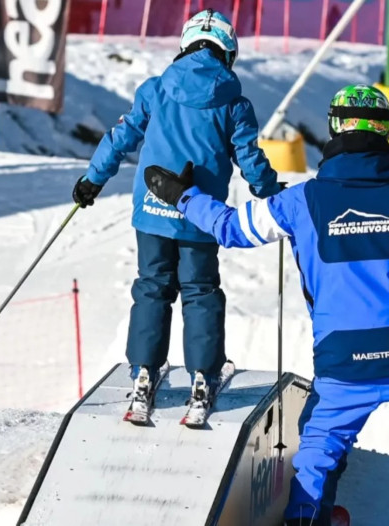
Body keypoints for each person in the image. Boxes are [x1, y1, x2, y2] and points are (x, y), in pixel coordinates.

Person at [144, 84, 389, 526]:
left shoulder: (301, 201)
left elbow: (232, 229)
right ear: (384, 131)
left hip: (343, 366)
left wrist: (183, 196)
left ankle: (310, 518)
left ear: (334, 127)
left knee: (317, 461)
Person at [72, 9, 280, 412]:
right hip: (200, 215)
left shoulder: (154, 89)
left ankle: (144, 376)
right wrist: (269, 193)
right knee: (200, 291)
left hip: (151, 210)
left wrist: (92, 181)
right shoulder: (234, 103)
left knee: (152, 286)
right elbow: (250, 159)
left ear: (185, 46)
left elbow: (120, 138)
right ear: (228, 52)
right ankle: (203, 378)